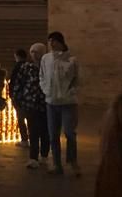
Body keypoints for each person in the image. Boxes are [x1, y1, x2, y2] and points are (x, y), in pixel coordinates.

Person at [41, 31, 80, 176]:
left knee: (70, 132)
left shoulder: (71, 59)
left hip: (68, 102)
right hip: (51, 102)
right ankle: (57, 164)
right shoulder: (46, 59)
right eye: (50, 41)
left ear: (61, 42)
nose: (51, 44)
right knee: (53, 134)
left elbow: (77, 79)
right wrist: (46, 90)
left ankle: (72, 162)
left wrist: (71, 92)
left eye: (54, 41)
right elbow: (42, 76)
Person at [20, 43, 50, 169]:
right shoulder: (27, 67)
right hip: (30, 104)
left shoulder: (48, 67)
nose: (34, 54)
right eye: (32, 52)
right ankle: (33, 157)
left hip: (45, 104)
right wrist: (19, 98)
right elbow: (20, 83)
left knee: (45, 131)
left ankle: (44, 155)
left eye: (36, 52)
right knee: (33, 131)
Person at [9, 48, 30, 149]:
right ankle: (32, 137)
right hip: (29, 97)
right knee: (30, 118)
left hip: (19, 97)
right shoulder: (30, 66)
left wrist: (12, 95)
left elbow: (13, 82)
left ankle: (24, 139)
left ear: (17, 56)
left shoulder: (17, 67)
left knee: (21, 119)